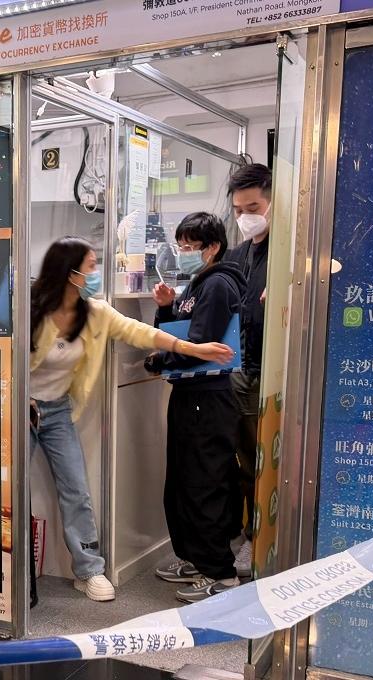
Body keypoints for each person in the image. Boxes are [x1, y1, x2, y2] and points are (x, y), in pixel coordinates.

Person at [30, 236, 233, 602]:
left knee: (76, 490)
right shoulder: (29, 309)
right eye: (91, 266)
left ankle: (89, 570)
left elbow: (142, 333)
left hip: (57, 411)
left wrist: (194, 348)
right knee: (6, 489)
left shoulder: (95, 312)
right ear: (70, 273)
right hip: (18, 408)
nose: (96, 274)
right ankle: (3, 570)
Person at [145, 212, 246, 603]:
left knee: (205, 482)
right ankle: (196, 558)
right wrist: (167, 308)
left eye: (191, 246)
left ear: (213, 247)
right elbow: (181, 334)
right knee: (184, 482)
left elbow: (199, 346)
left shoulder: (218, 284)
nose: (184, 252)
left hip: (208, 395)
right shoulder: (198, 283)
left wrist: (159, 361)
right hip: (190, 394)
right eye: (181, 245)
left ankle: (219, 572)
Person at [225, 163, 272, 576]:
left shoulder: (291, 253)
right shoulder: (237, 256)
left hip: (273, 376)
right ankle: (246, 536)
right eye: (238, 210)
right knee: (241, 463)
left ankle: (263, 538)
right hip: (238, 372)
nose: (245, 217)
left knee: (267, 466)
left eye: (253, 208)